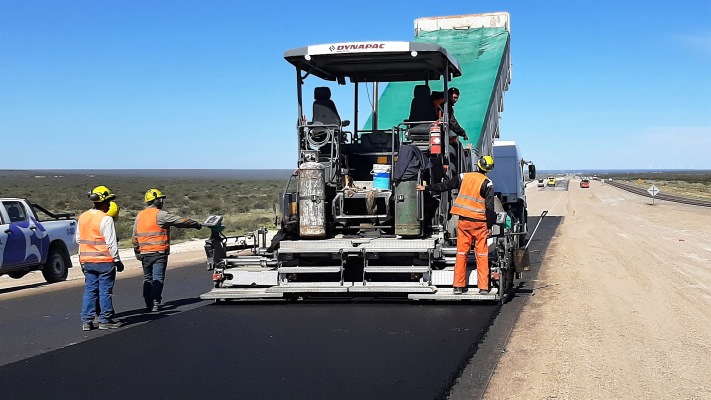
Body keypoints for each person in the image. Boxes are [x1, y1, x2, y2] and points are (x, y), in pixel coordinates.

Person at [417, 156, 496, 294]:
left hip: (464, 222)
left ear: (477, 165)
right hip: (480, 224)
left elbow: (445, 186)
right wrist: (489, 226)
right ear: (488, 170)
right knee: (482, 255)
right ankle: (483, 287)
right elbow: (489, 208)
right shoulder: (488, 183)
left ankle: (458, 286)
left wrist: (426, 187)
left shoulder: (463, 176)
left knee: (461, 253)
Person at [132, 188, 203, 312]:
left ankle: (148, 303)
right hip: (159, 253)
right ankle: (155, 302)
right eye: (161, 199)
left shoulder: (140, 215)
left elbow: (134, 237)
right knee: (158, 278)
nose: (162, 201)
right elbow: (180, 221)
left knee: (147, 278)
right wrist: (196, 224)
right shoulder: (161, 215)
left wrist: (137, 252)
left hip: (144, 253)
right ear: (157, 200)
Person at [77, 185, 124, 331]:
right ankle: (105, 319)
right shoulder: (106, 219)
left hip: (87, 261)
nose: (110, 203)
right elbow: (111, 243)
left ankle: (87, 321)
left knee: (90, 290)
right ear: (103, 202)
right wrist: (117, 260)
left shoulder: (83, 217)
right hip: (104, 261)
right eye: (109, 200)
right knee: (105, 291)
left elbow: (79, 239)